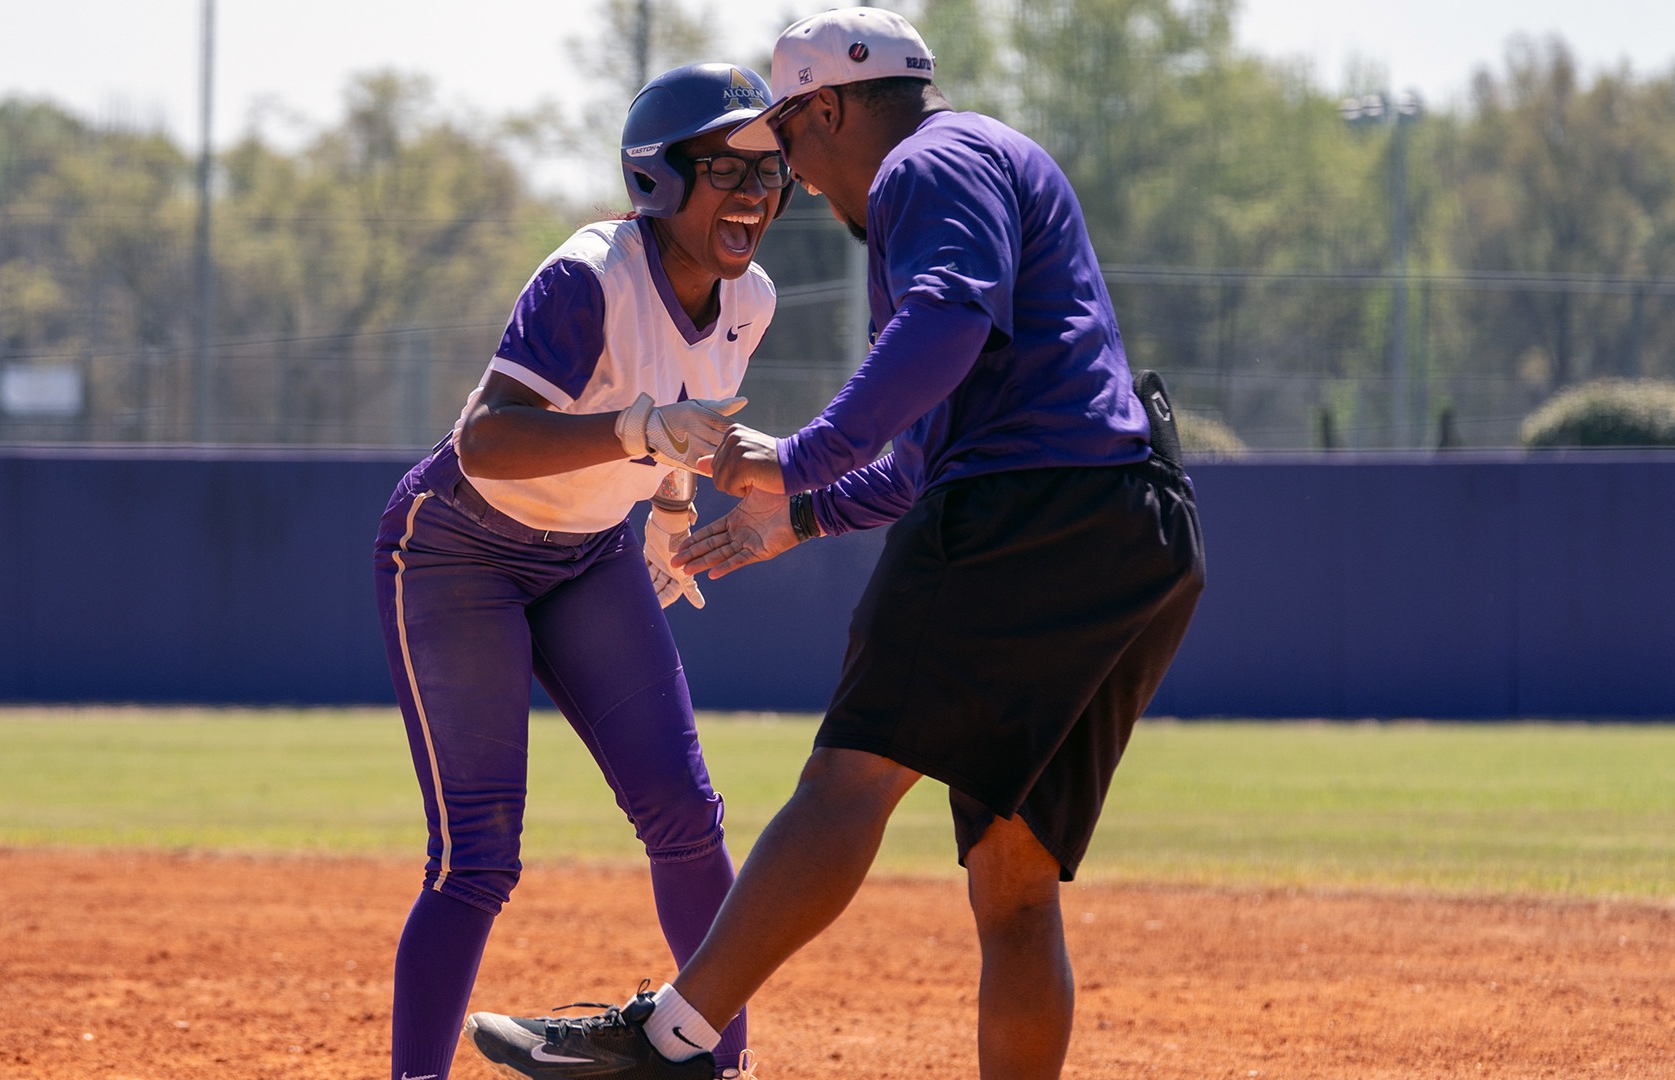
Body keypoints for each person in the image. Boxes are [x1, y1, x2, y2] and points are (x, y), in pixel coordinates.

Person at [462, 7, 1206, 1080]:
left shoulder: (923, 167)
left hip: (1021, 519)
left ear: (836, 107)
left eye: (794, 140)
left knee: (848, 780)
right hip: (1136, 534)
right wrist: (796, 510)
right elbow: (915, 459)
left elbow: (945, 323)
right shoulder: (993, 159)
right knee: (1013, 875)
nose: (795, 177)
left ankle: (673, 1039)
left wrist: (802, 456)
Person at [372, 62, 794, 1080]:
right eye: (725, 168)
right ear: (659, 178)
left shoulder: (752, 299)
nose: (752, 194)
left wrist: (673, 501)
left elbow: (693, 421)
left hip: (588, 555)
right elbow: (487, 442)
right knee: (477, 857)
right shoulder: (590, 275)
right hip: (457, 550)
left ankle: (718, 1065)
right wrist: (636, 430)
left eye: (770, 173)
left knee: (687, 819)